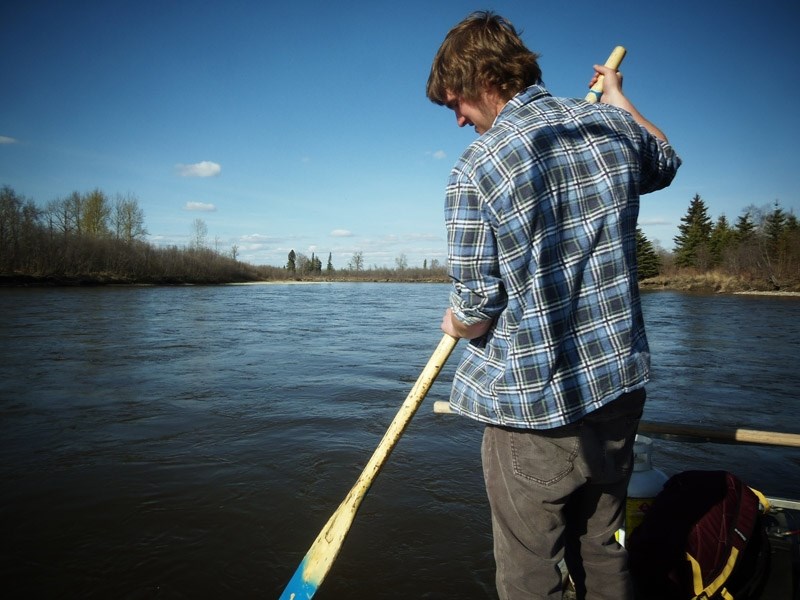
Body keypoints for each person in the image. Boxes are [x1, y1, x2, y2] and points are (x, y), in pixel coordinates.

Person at [426, 11, 681, 600]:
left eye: (456, 103)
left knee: (529, 568)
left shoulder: (476, 170)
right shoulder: (609, 126)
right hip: (619, 393)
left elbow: (478, 304)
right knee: (604, 543)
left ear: (480, 80)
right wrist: (619, 99)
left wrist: (457, 321)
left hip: (535, 409)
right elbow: (665, 160)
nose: (460, 120)